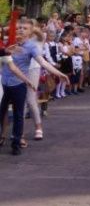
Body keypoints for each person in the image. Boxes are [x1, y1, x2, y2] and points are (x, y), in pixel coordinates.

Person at [0, 18, 69, 155]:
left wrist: (58, 73)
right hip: (5, 83)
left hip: (18, 84)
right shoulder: (9, 41)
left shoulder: (31, 46)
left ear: (30, 32)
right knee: (1, 113)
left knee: (19, 114)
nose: (20, 30)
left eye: (25, 28)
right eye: (19, 27)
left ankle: (16, 142)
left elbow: (43, 62)